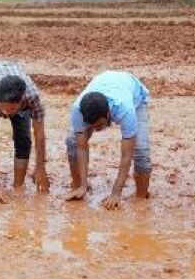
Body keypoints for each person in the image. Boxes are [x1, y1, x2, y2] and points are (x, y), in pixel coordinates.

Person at [64, 71, 151, 209]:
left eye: (99, 125)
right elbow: (81, 147)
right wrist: (83, 184)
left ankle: (141, 200)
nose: (96, 129)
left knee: (141, 152)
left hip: (134, 96)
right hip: (104, 81)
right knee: (72, 142)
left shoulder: (125, 110)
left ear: (108, 113)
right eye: (92, 126)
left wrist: (116, 193)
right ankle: (78, 186)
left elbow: (126, 155)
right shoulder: (77, 111)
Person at [0, 61, 47, 202]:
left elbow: (39, 136)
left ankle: (18, 185)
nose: (5, 113)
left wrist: (40, 169)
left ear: (22, 101)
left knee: (23, 139)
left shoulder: (33, 98)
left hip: (19, 88)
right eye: (2, 108)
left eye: (11, 110)